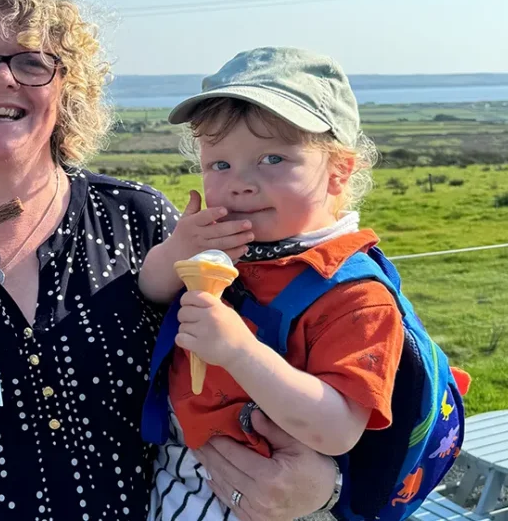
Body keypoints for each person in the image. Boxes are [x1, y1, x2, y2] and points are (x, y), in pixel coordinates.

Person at [0, 0, 341, 520]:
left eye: (33, 62)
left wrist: (322, 486)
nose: (3, 77)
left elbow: (290, 363)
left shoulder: (140, 222)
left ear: (66, 90)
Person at [138, 46, 404, 521]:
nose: (239, 183)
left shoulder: (354, 295)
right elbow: (150, 290)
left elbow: (338, 429)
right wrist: (177, 251)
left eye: (273, 158)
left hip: (267, 499)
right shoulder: (225, 247)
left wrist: (239, 350)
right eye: (219, 165)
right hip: (180, 472)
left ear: (339, 171)